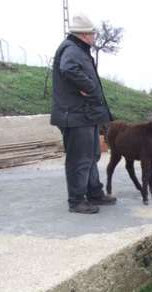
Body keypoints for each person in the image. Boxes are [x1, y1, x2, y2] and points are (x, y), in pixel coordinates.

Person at [51, 14, 116, 214]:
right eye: (93, 33)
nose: (95, 36)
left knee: (91, 155)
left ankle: (94, 193)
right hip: (76, 115)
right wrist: (87, 86)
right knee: (79, 159)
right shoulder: (72, 49)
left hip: (85, 114)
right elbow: (68, 69)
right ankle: (77, 200)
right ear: (84, 34)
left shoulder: (78, 49)